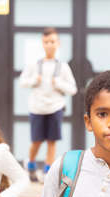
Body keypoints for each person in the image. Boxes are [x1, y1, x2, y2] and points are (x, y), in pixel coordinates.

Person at [19, 27, 77, 182]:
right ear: (42, 44)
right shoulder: (34, 64)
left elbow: (73, 89)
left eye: (52, 41)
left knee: (52, 141)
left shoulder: (63, 66)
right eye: (46, 42)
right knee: (37, 140)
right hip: (37, 108)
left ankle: (47, 172)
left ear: (58, 44)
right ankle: (30, 164)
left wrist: (58, 83)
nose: (49, 45)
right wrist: (34, 81)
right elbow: (22, 82)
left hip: (55, 108)